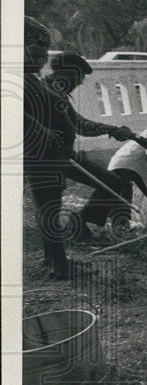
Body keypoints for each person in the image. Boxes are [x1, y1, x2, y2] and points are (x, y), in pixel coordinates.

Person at [22, 17, 94, 278]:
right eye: (37, 53)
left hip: (52, 156)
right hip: (43, 157)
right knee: (49, 210)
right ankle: (61, 267)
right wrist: (42, 131)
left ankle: (52, 259)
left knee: (48, 209)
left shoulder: (32, 78)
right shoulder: (18, 79)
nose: (42, 59)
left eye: (44, 53)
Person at [43, 52, 136, 239]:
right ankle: (75, 227)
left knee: (113, 182)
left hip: (65, 154)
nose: (81, 82)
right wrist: (113, 129)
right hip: (52, 157)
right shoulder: (51, 92)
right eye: (80, 77)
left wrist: (112, 129)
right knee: (112, 183)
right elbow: (81, 126)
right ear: (69, 72)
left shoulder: (53, 88)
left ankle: (78, 225)